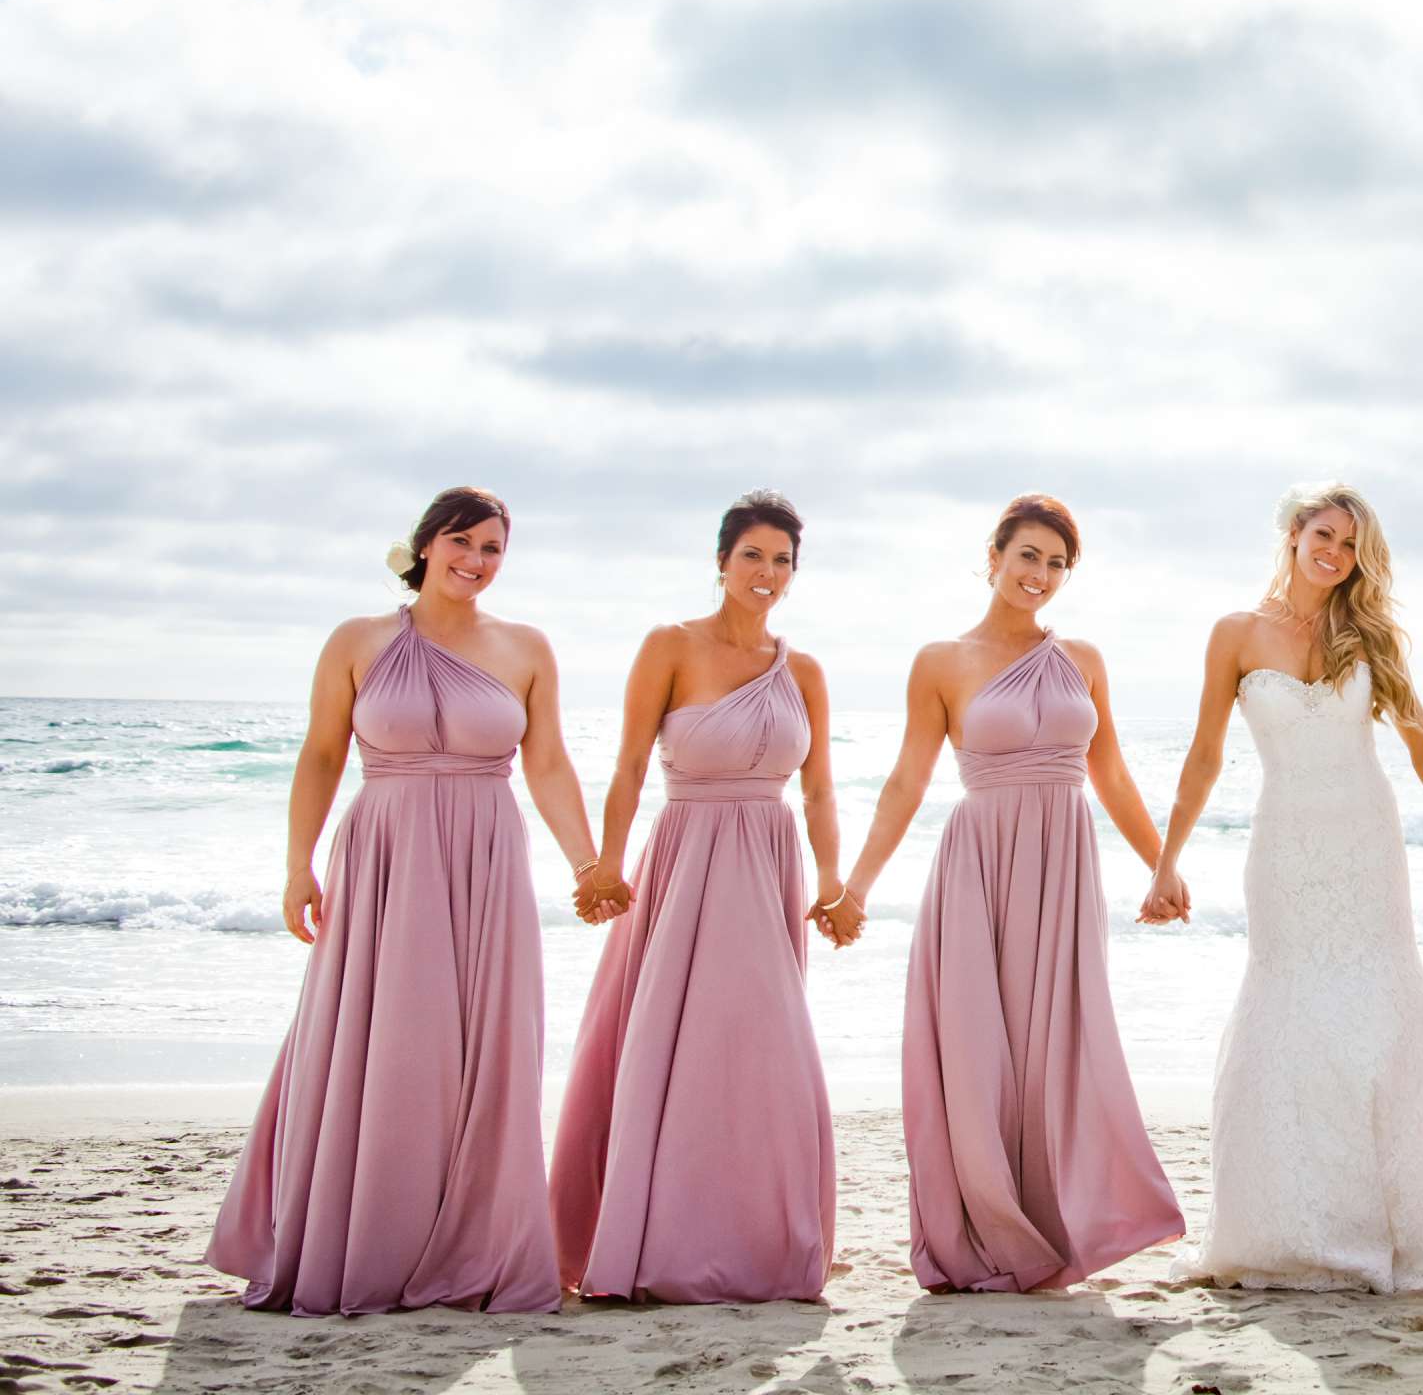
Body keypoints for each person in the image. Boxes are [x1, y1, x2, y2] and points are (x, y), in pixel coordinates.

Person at [207, 486, 616, 1315]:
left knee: (475, 1043)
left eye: (494, 549)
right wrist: (298, 866)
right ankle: (368, 1232)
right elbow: (322, 754)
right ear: (426, 544)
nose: (476, 561)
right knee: (384, 1036)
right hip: (384, 856)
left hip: (485, 859)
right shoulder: (358, 640)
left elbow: (546, 763)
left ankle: (472, 1238)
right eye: (463, 542)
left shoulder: (526, 647)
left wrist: (588, 865)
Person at [820, 494, 1182, 1292]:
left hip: (1063, 865)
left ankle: (1058, 1220)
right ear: (994, 556)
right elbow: (907, 781)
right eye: (1028, 555)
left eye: (1057, 564)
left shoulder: (1082, 658)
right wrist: (855, 887)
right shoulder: (941, 661)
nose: (1041, 575)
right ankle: (987, 1222)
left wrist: (1162, 864)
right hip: (979, 867)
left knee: (1057, 1042)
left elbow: (1110, 772)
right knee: (983, 1048)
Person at [1148, 482, 1423, 1293]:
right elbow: (1204, 757)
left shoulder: (1369, 637)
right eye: (1325, 535)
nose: (1334, 554)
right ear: (1294, 533)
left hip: (1367, 844)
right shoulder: (1235, 634)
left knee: (1383, 999)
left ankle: (1415, 1218)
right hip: (1284, 846)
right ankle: (1294, 1224)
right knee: (1290, 1002)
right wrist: (1168, 861)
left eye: (1350, 545)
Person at [550, 490, 842, 1302]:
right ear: (721, 561)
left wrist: (832, 882)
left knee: (761, 1051)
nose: (767, 572)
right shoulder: (669, 645)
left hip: (769, 864)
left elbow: (818, 793)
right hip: (685, 863)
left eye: (782, 560)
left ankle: (760, 1242)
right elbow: (628, 768)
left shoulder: (805, 670)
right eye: (753, 554)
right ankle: (657, 1238)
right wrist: (604, 867)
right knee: (672, 1044)